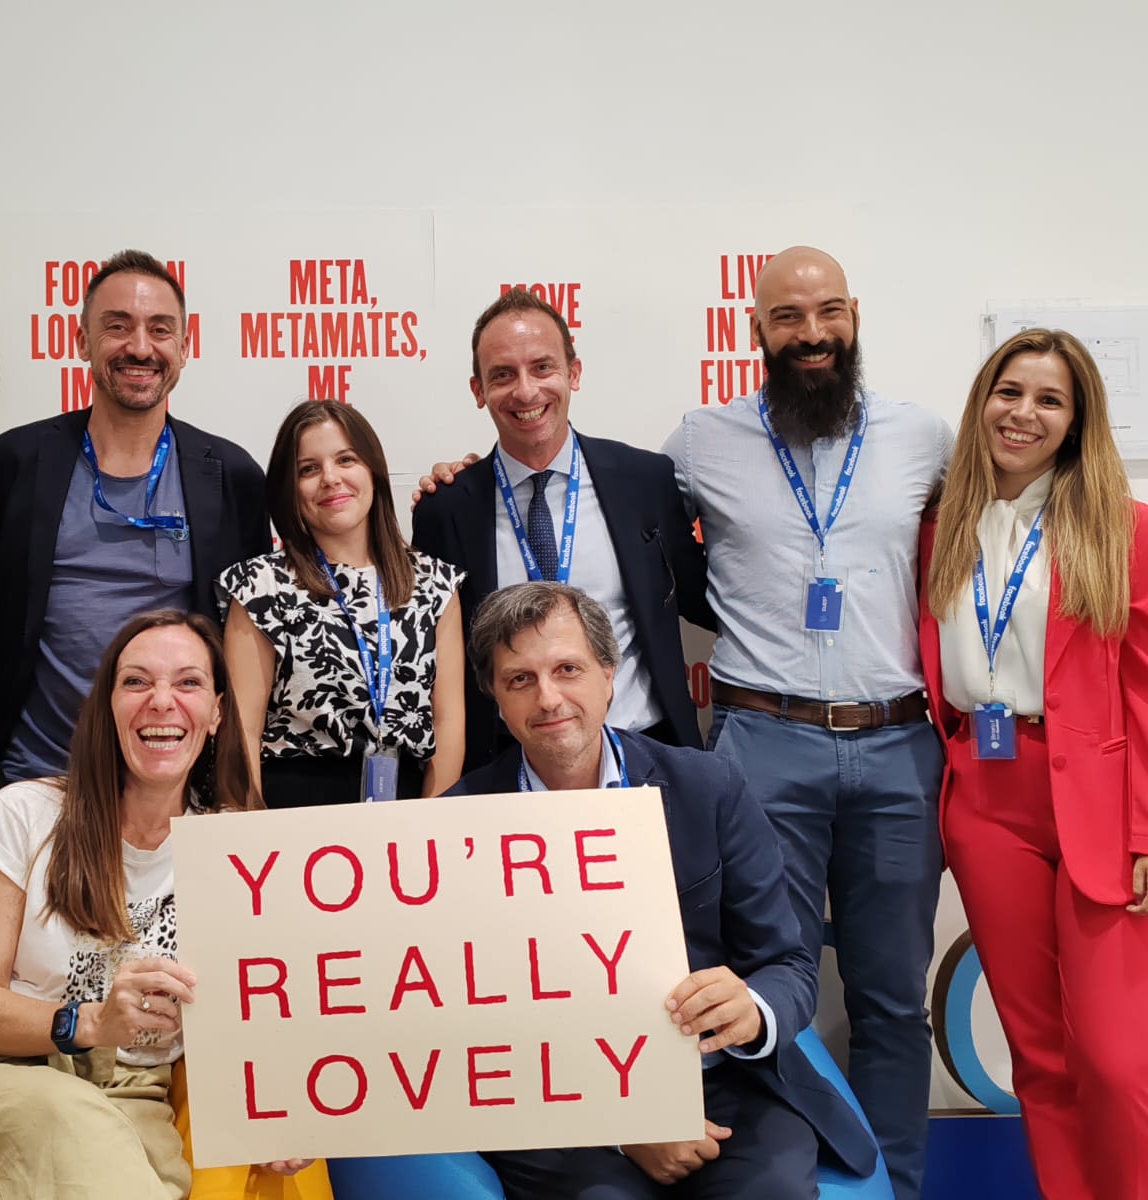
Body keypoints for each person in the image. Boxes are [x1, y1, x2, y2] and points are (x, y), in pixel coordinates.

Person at [659, 245, 951, 1199]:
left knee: (892, 1002)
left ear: (854, 316)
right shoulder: (700, 441)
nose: (811, 334)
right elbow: (611, 507)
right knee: (756, 991)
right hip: (761, 745)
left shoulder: (924, 437)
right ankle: (785, 1184)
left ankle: (894, 1188)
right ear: (756, 330)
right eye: (787, 317)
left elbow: (1006, 530)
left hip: (899, 746)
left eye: (827, 312)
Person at [0, 611, 310, 1199]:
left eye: (189, 682)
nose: (162, 701)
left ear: (217, 712)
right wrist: (94, 1021)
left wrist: (277, 1110)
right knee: (60, 1117)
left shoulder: (237, 852)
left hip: (129, 1102)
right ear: (108, 706)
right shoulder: (25, 814)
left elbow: (255, 1016)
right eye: (137, 681)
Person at [452, 582, 874, 1199]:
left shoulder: (708, 787)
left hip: (721, 1079)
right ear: (495, 696)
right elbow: (468, 1023)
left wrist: (750, 1008)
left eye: (568, 669)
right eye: (520, 679)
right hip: (557, 1102)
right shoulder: (459, 824)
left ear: (609, 674)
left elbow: (787, 964)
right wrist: (623, 1124)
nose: (548, 698)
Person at [921, 329, 1148, 1199]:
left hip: (1097, 798)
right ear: (983, 401)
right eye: (1009, 392)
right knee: (1039, 1055)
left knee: (1117, 1059)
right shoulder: (939, 530)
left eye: (1050, 400)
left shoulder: (1121, 528)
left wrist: (1144, 827)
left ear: (1077, 421)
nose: (1024, 414)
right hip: (984, 799)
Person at [0, 249, 270, 782]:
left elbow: (246, 639)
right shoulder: (12, 464)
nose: (140, 347)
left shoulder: (233, 476)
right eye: (117, 326)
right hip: (37, 776)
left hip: (174, 782)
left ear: (184, 347)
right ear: (82, 341)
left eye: (160, 329)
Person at [412, 288, 711, 773]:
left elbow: (706, 598)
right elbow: (438, 665)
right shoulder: (445, 510)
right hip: (509, 766)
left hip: (643, 752)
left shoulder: (645, 482)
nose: (526, 391)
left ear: (573, 372)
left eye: (542, 367)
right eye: (503, 375)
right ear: (478, 390)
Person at [219, 399, 464, 805]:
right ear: (289, 489)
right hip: (292, 812)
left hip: (407, 810)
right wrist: (255, 828)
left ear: (373, 470)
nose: (330, 479)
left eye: (346, 460)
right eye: (308, 469)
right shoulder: (260, 586)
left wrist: (429, 826)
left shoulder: (435, 583)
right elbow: (241, 730)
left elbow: (449, 724)